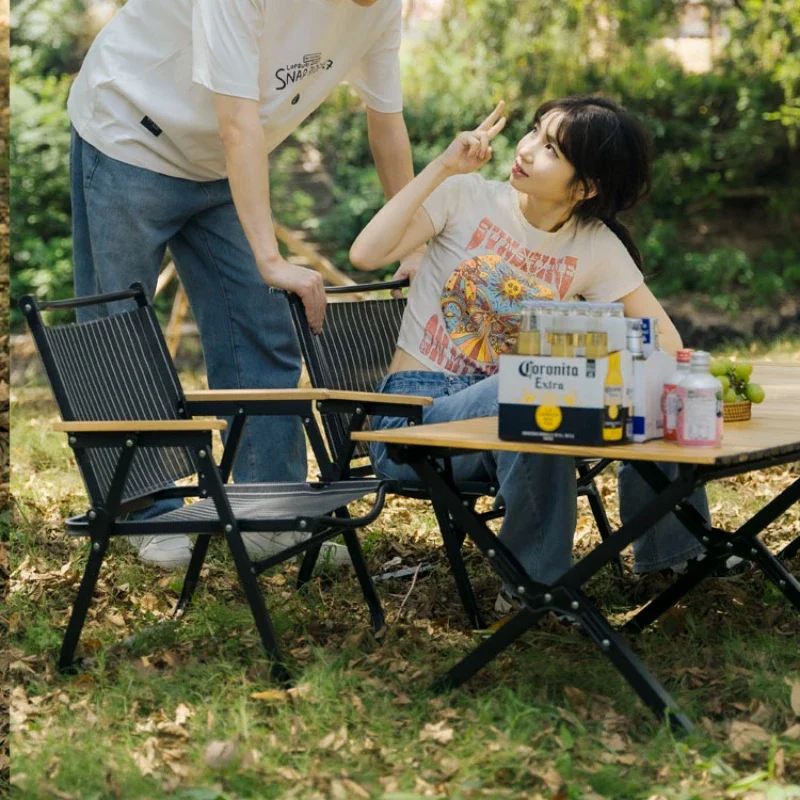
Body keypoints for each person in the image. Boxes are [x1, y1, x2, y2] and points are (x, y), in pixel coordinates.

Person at [67, 0, 423, 568]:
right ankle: (143, 511)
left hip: (225, 159)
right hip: (130, 130)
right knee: (119, 325)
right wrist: (270, 257)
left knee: (262, 325)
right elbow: (237, 121)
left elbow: (386, 120)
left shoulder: (381, 10)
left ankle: (270, 512)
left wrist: (413, 243)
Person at [349, 94, 709, 587]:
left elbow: (666, 342)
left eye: (551, 149)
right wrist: (442, 167)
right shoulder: (466, 197)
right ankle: (538, 590)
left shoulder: (592, 244)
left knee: (642, 383)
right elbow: (365, 254)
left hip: (517, 410)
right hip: (413, 419)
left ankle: (674, 556)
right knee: (536, 392)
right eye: (535, 131)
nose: (525, 148)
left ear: (584, 188)